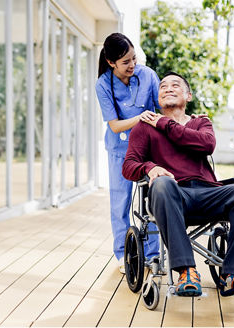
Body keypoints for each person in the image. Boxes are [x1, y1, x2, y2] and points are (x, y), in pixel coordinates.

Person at [122, 72, 234, 297]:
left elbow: (207, 144)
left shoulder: (200, 122)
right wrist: (149, 168)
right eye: (163, 86)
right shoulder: (144, 127)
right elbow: (128, 165)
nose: (168, 88)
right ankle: (186, 271)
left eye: (175, 85)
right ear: (158, 97)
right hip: (173, 196)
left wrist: (165, 124)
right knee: (161, 184)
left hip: (208, 194)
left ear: (188, 96)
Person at [95, 33, 159, 273]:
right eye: (125, 62)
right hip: (119, 149)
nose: (132, 65)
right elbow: (114, 125)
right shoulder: (103, 84)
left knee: (151, 201)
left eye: (134, 58)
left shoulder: (148, 75)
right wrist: (140, 118)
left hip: (148, 148)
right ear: (111, 63)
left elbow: (161, 109)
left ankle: (153, 255)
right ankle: (124, 255)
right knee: (120, 202)